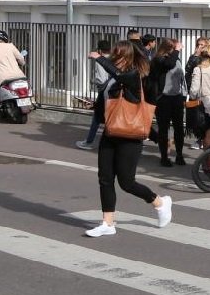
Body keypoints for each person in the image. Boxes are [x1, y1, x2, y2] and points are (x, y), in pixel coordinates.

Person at [83, 40, 173, 238]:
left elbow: (119, 74)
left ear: (128, 57)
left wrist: (100, 59)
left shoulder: (134, 75)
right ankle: (108, 222)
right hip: (111, 132)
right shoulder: (116, 79)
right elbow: (106, 101)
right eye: (114, 56)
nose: (115, 59)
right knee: (105, 179)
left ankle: (159, 202)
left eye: (118, 55)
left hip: (130, 137)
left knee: (127, 182)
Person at [151, 39, 186, 167]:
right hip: (163, 98)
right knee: (164, 129)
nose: (176, 51)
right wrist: (176, 50)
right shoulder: (159, 60)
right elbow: (168, 64)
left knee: (179, 128)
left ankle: (179, 155)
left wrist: (183, 95)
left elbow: (181, 78)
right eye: (174, 49)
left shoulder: (176, 59)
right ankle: (164, 157)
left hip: (176, 97)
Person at [76, 40, 113, 150]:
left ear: (100, 50)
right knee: (109, 116)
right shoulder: (114, 59)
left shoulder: (100, 61)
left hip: (103, 91)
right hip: (113, 91)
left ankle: (89, 142)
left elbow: (101, 80)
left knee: (97, 117)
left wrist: (94, 81)